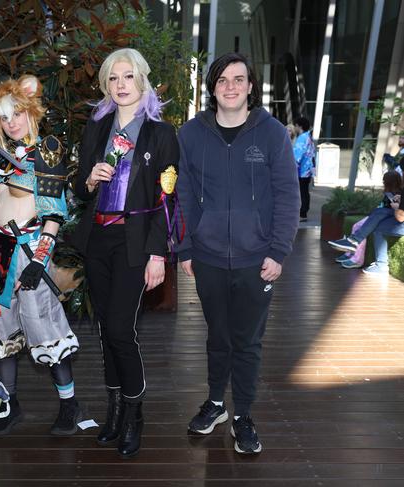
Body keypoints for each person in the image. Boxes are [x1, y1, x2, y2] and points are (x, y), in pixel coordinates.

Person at [175, 52, 299, 454]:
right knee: (218, 337)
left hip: (256, 258)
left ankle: (243, 414)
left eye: (239, 79)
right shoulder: (191, 134)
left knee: (247, 341)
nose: (231, 86)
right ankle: (215, 404)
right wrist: (186, 246)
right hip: (207, 256)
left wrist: (278, 251)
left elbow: (287, 195)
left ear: (250, 86)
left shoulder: (272, 133)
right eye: (223, 79)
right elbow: (183, 195)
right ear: (213, 87)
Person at [73, 48, 179, 458]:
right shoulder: (96, 127)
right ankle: (114, 412)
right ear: (106, 84)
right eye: (113, 78)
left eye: (128, 77)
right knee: (106, 330)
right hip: (98, 239)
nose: (121, 85)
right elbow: (81, 183)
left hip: (135, 242)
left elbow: (168, 200)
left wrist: (158, 255)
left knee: (120, 330)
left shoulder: (160, 133)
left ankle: (135, 415)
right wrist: (90, 179)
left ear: (142, 81)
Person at [0, 75, 82, 437]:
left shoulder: (46, 152)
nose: (12, 122)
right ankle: (10, 404)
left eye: (17, 113)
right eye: (3, 117)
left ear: (31, 112)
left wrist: (38, 260)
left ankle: (69, 404)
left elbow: (53, 215)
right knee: (0, 331)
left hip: (32, 250)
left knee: (45, 325)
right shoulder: (0, 155)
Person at [328, 171, 404, 275]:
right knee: (376, 223)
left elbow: (400, 217)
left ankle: (356, 255)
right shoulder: (396, 192)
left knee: (373, 218)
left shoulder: (398, 192)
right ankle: (353, 247)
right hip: (388, 216)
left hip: (396, 218)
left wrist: (395, 206)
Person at [293, 116, 316, 222]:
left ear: (299, 126)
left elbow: (298, 155)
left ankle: (302, 213)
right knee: (305, 191)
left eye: (295, 125)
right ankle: (304, 212)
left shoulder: (302, 138)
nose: (294, 127)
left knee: (301, 192)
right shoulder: (309, 137)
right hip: (308, 169)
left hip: (302, 170)